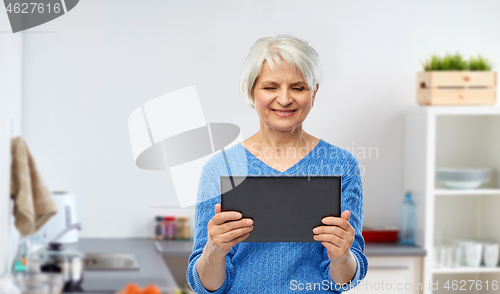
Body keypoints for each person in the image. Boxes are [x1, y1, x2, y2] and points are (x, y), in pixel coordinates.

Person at [186, 35, 367, 293]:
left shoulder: (342, 166)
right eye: (270, 87)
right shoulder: (220, 168)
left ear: (314, 93)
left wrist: (342, 257)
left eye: (298, 87)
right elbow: (206, 286)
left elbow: (345, 279)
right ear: (251, 91)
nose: (284, 99)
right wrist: (215, 250)